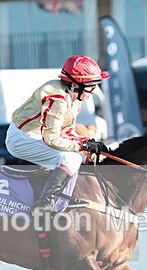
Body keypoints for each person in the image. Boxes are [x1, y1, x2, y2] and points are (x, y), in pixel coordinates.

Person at [6, 55, 109, 214]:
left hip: (36, 136)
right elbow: (52, 138)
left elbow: (66, 132)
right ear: (75, 85)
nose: (94, 91)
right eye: (91, 86)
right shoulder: (58, 98)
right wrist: (82, 145)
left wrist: (87, 143)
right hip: (21, 137)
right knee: (71, 158)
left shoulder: (74, 98)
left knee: (84, 157)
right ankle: (44, 204)